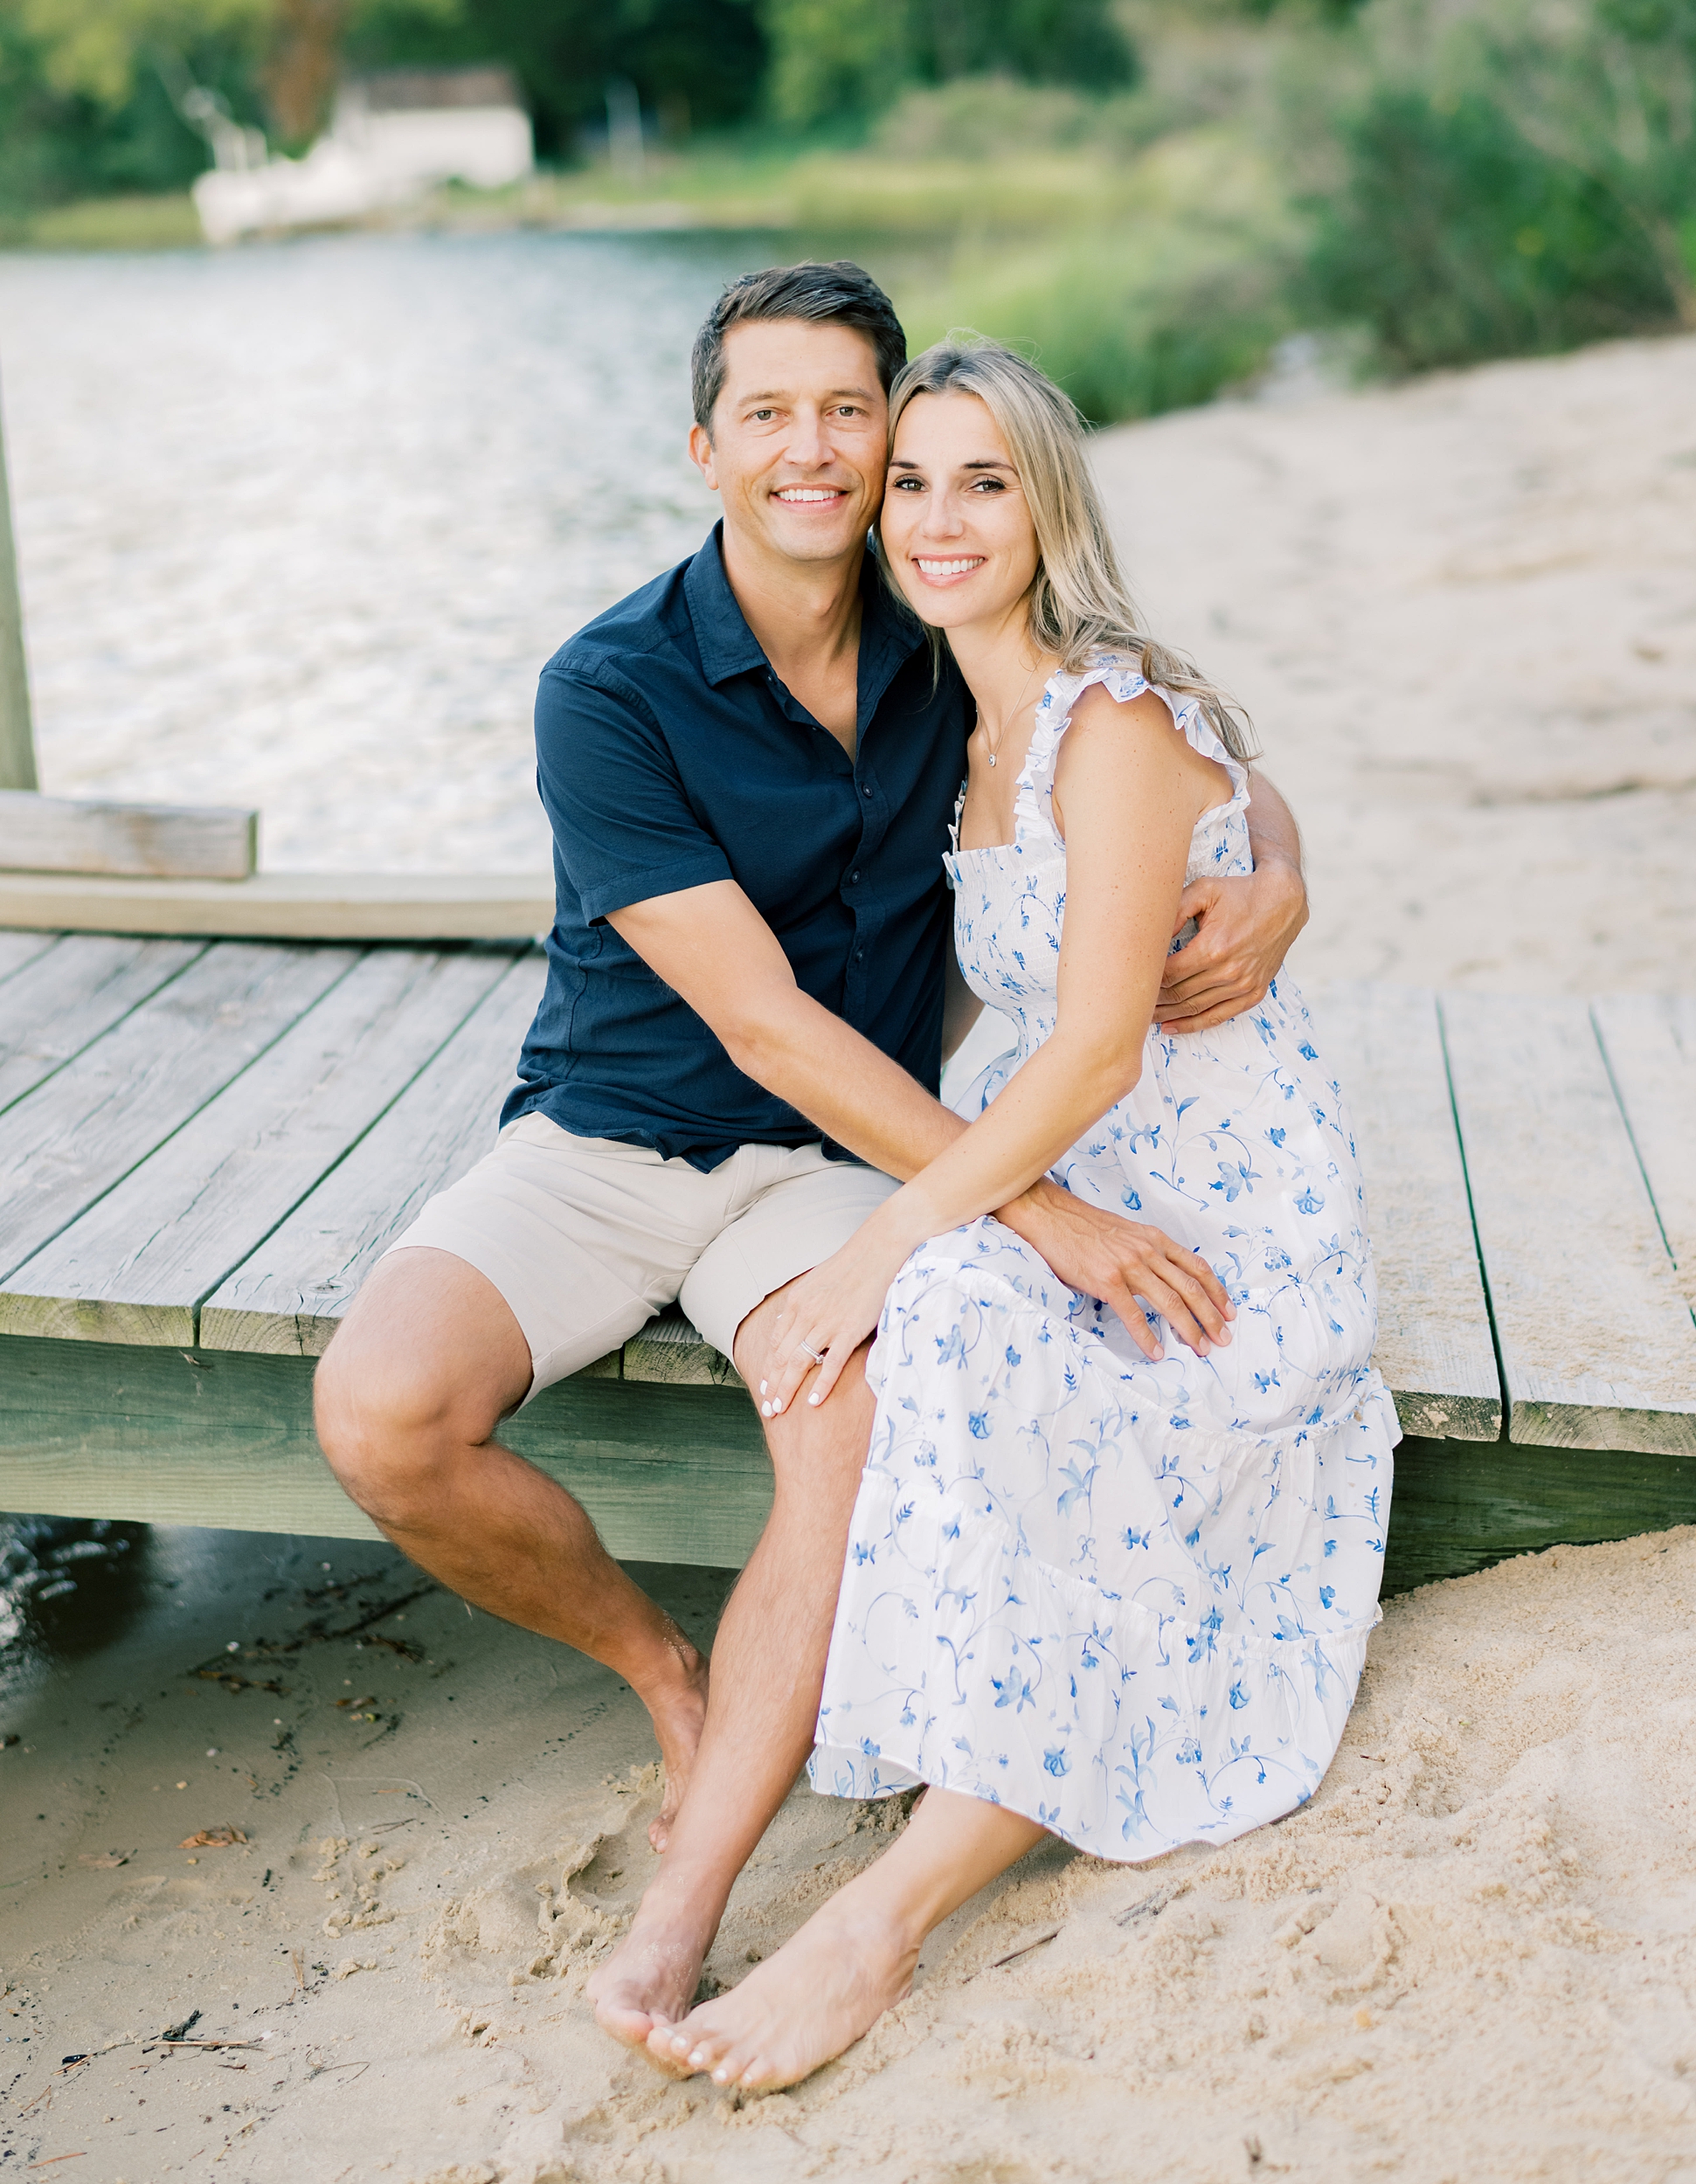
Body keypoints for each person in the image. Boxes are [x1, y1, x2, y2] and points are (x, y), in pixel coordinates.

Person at [311, 263, 1310, 2049]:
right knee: (380, 1413)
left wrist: (1282, 866)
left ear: (887, 433)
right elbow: (761, 1021)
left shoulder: (948, 612)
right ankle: (663, 1669)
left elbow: (1162, 725)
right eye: (767, 411)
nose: (816, 447)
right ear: (705, 445)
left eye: (848, 408)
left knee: (838, 1406)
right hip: (606, 1133)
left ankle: (697, 1888)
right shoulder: (605, 687)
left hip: (838, 1158)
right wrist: (1046, 1202)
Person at [642, 337, 1398, 2094]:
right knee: (955, 1327)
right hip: (1079, 1157)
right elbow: (1224, 802)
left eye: (981, 480)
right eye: (910, 481)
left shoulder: (1100, 710)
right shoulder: (948, 710)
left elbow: (1093, 1050)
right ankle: (957, 1729)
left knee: (974, 1321)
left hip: (1218, 1190)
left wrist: (887, 1230)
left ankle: (878, 1919)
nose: (936, 515)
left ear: (1047, 502)